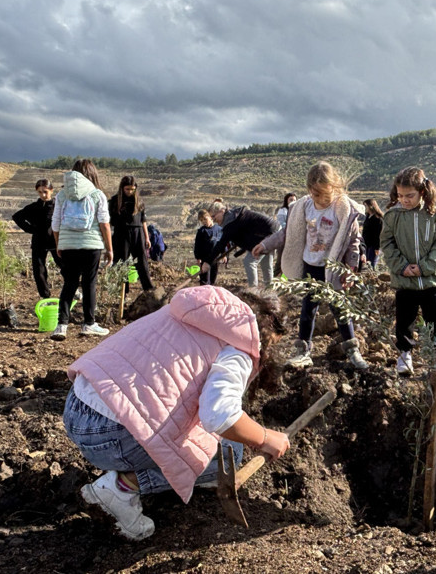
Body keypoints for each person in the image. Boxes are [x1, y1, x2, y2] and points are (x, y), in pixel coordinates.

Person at [63, 286, 290, 540]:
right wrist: (266, 437)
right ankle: (121, 488)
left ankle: (194, 476)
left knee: (230, 448)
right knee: (225, 456)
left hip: (76, 406)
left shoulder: (190, 312)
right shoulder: (238, 347)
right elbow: (219, 414)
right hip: (110, 434)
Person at [252, 161, 368, 371]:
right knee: (308, 310)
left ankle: (352, 350)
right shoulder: (303, 207)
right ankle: (303, 351)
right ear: (309, 190)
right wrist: (265, 244)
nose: (320, 199)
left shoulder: (342, 209)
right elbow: (287, 233)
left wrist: (350, 269)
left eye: (324, 194)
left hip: (333, 269)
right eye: (315, 194)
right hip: (311, 266)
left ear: (334, 187)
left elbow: (353, 242)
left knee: (340, 310)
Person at [380, 167, 436, 377]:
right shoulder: (392, 216)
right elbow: (387, 244)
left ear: (423, 192)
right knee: (404, 319)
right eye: (400, 195)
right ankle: (405, 356)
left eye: (409, 196)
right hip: (404, 280)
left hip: (429, 280)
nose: (404, 200)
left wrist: (424, 267)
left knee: (435, 318)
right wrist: (402, 267)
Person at [50, 159, 113, 340]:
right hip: (91, 245)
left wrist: (59, 244)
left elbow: (55, 224)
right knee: (89, 283)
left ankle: (61, 326)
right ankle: (88, 324)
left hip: (68, 245)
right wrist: (109, 249)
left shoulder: (61, 195)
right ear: (92, 173)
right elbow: (104, 224)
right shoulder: (97, 194)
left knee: (69, 284)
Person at [201, 200, 278, 288]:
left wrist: (207, 262)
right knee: (266, 265)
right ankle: (270, 290)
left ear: (222, 211)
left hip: (267, 234)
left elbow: (221, 244)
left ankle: (253, 291)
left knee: (249, 262)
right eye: (212, 218)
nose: (214, 220)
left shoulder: (230, 222)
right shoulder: (234, 216)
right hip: (271, 232)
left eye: (214, 216)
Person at [12, 178, 62, 299]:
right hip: (39, 243)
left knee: (65, 267)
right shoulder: (34, 207)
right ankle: (45, 296)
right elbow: (17, 217)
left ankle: (71, 291)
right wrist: (31, 229)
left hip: (56, 243)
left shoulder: (58, 206)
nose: (43, 195)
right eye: (40, 192)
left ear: (51, 190)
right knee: (38, 272)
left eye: (45, 191)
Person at [109, 175, 155, 293]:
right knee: (121, 262)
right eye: (127, 189)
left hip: (138, 233)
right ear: (122, 188)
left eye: (132, 189)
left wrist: (147, 238)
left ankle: (149, 289)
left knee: (142, 261)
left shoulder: (139, 201)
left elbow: (143, 220)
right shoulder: (115, 201)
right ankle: (123, 291)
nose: (129, 192)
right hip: (121, 233)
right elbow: (109, 222)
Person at [193, 209, 222, 286]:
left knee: (213, 278)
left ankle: (210, 295)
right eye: (202, 220)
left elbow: (222, 243)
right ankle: (203, 296)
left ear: (211, 217)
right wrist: (198, 258)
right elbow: (197, 246)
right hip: (204, 259)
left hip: (216, 259)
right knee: (204, 279)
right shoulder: (201, 231)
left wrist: (224, 254)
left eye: (205, 219)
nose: (204, 222)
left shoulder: (219, 229)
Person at [274, 193, 297, 276]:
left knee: (289, 261)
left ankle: (284, 279)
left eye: (294, 200)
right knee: (280, 260)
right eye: (291, 200)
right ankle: (274, 278)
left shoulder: (297, 211)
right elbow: (281, 224)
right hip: (283, 238)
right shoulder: (283, 211)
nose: (293, 202)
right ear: (286, 200)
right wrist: (291, 228)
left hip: (293, 239)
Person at [362, 199, 384, 269]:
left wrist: (377, 248)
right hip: (366, 245)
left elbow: (378, 235)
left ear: (370, 206)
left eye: (366, 206)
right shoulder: (368, 217)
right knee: (366, 263)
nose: (365, 208)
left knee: (372, 263)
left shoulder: (378, 219)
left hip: (374, 246)